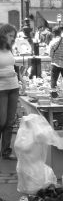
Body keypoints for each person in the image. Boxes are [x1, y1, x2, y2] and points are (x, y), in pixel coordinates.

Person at [0, 24, 19, 159]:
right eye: (10, 35)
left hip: (13, 87)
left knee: (10, 121)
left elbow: (10, 66)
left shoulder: (9, 49)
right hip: (1, 89)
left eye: (14, 36)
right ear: (3, 34)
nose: (12, 38)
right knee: (2, 120)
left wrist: (19, 76)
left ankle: (6, 151)